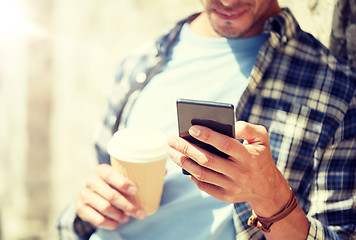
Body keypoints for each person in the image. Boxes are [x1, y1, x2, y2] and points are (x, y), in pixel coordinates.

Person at [57, 0, 356, 239]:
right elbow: (96, 191)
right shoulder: (140, 62)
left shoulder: (335, 89)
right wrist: (88, 207)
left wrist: (271, 196)